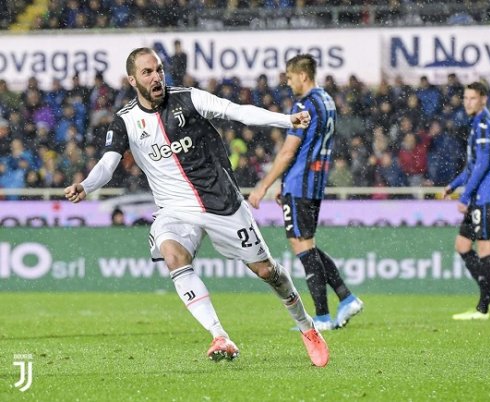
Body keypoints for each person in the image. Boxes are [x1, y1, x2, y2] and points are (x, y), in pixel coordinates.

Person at [64, 47, 328, 367]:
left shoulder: (189, 99)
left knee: (267, 271)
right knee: (174, 257)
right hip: (174, 209)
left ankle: (307, 326)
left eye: (159, 69)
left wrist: (286, 119)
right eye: (147, 72)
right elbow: (107, 165)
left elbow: (238, 111)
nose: (156, 76)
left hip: (221, 202)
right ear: (133, 80)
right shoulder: (125, 122)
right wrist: (86, 186)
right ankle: (219, 336)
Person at [248, 54, 363, 331]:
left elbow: (289, 151)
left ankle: (322, 317)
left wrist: (264, 185)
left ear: (303, 75)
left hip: (301, 182)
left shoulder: (304, 105)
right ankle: (346, 298)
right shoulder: (327, 101)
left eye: (289, 76)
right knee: (307, 245)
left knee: (302, 246)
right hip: (314, 182)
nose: (288, 82)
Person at [442, 81, 490, 320]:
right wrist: (453, 185)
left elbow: (482, 165)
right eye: (465, 98)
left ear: (483, 99)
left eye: (472, 98)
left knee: (486, 247)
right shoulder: (480, 123)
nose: (468, 102)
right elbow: (472, 166)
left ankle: (483, 307)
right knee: (462, 245)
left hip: (487, 195)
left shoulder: (483, 124)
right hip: (481, 193)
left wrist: (466, 195)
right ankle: (488, 297)